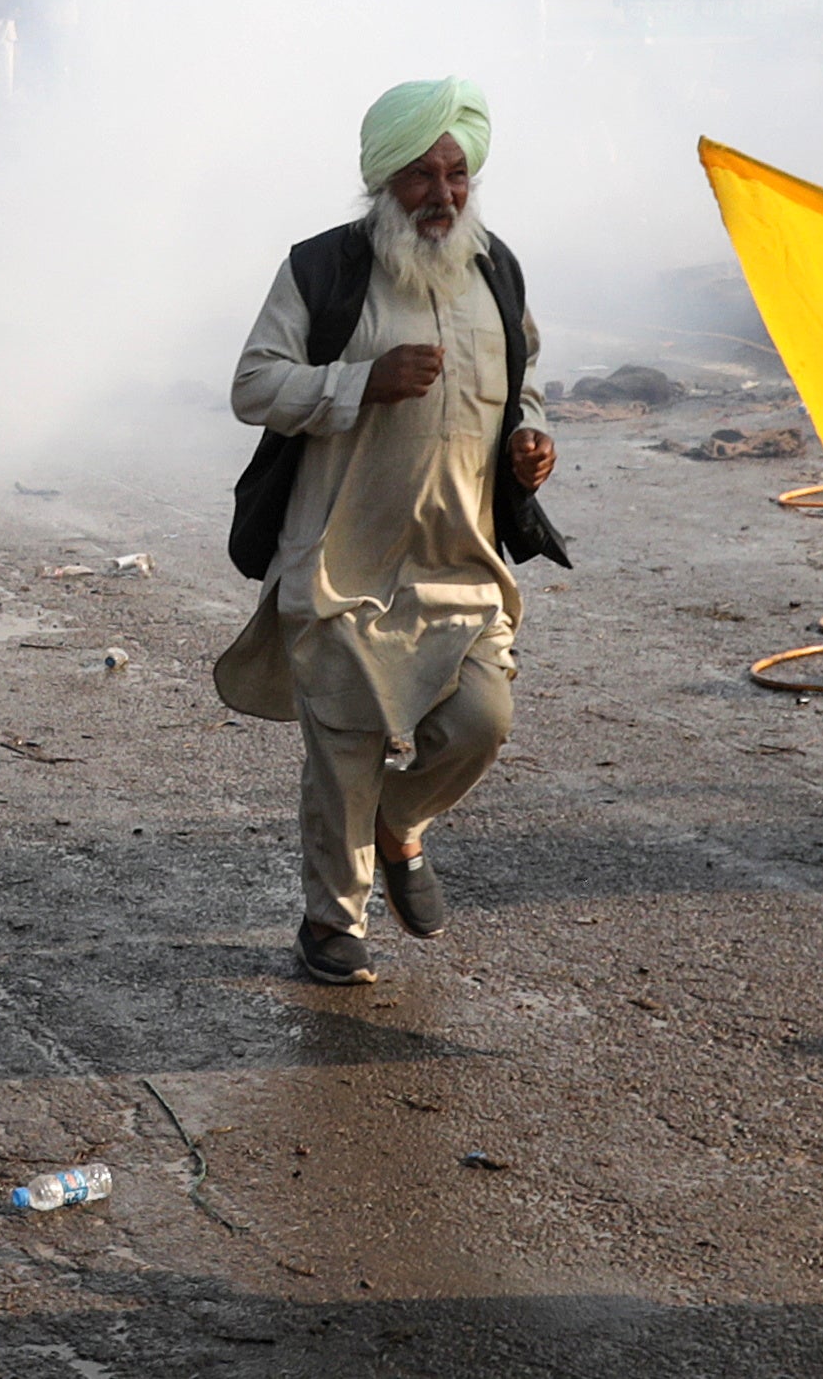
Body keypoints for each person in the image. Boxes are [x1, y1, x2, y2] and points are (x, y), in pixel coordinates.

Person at [214, 79, 566, 986]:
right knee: (343, 752)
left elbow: (522, 378)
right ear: (383, 183)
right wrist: (357, 381)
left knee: (482, 722)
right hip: (340, 562)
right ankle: (333, 924)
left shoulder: (497, 270)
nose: (443, 195)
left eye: (456, 174)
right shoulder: (324, 270)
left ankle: (400, 823)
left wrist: (529, 437)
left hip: (463, 565)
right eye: (420, 176)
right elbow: (255, 385)